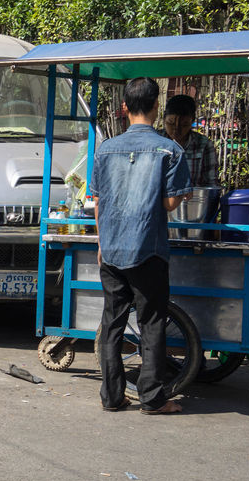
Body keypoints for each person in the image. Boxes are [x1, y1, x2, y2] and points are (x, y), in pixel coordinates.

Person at [91, 77, 191, 415]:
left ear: (125, 107)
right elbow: (170, 203)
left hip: (113, 250)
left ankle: (112, 396)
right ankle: (151, 398)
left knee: (112, 324)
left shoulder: (105, 150)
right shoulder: (170, 150)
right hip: (148, 249)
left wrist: (102, 244)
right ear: (155, 105)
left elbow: (98, 202)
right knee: (151, 325)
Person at [162, 94, 219, 187]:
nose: (176, 129)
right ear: (164, 119)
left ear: (192, 121)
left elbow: (211, 184)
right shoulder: (154, 141)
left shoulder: (204, 145)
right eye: (171, 123)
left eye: (184, 124)